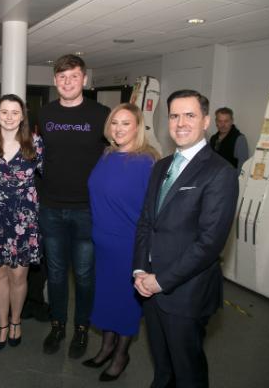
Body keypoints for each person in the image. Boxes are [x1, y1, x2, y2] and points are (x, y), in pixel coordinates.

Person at [133, 89, 238, 388]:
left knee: (187, 371)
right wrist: (140, 270)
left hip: (185, 293)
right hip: (149, 288)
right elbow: (146, 223)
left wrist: (160, 280)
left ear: (206, 121)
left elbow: (209, 244)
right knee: (162, 367)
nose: (181, 123)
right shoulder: (162, 166)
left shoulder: (220, 173)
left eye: (189, 115)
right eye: (175, 116)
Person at [38, 54, 110, 358]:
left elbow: (118, 150)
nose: (68, 82)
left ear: (84, 80)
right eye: (62, 77)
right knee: (55, 274)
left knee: (83, 275)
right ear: (55, 81)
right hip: (51, 207)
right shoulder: (43, 114)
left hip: (87, 210)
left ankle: (82, 329)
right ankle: (58, 325)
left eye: (74, 76)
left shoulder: (102, 113)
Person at [84, 103, 159, 381]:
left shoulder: (148, 162)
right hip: (102, 243)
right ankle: (105, 347)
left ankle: (121, 355)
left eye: (126, 123)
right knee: (105, 298)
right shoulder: (107, 154)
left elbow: (153, 212)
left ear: (138, 127)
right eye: (114, 123)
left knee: (127, 302)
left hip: (129, 246)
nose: (118, 128)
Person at [0, 94, 44, 350]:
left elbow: (51, 177)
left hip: (23, 217)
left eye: (15, 112)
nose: (10, 117)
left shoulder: (35, 143)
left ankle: (16, 321)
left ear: (23, 116)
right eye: (5, 112)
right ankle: (2, 323)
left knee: (19, 276)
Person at [209, 107, 249, 174]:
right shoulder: (213, 138)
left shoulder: (239, 139)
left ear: (231, 121)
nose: (223, 125)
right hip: (213, 178)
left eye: (226, 121)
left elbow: (243, 166)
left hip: (229, 180)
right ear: (216, 122)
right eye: (220, 121)